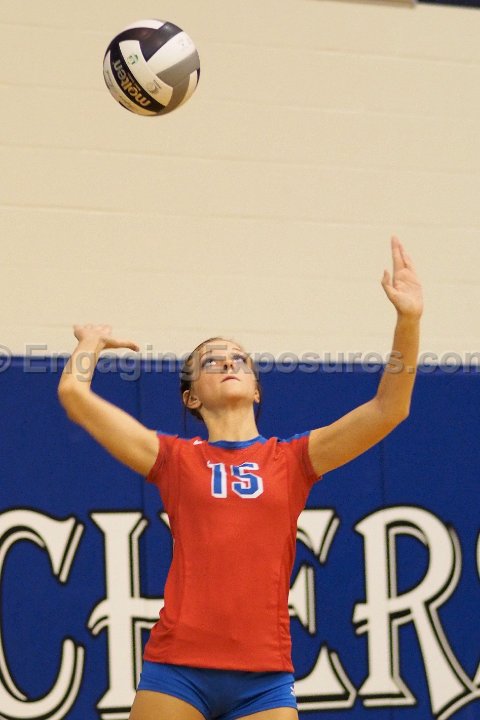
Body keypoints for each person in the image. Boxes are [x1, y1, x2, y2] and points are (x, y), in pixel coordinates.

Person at [58, 237, 422, 720]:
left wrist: (409, 320)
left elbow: (389, 408)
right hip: (177, 669)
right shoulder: (174, 459)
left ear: (256, 390)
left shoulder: (291, 460)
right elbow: (73, 394)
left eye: (239, 359)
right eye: (211, 361)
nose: (228, 362)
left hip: (264, 678)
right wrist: (89, 344)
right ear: (191, 398)